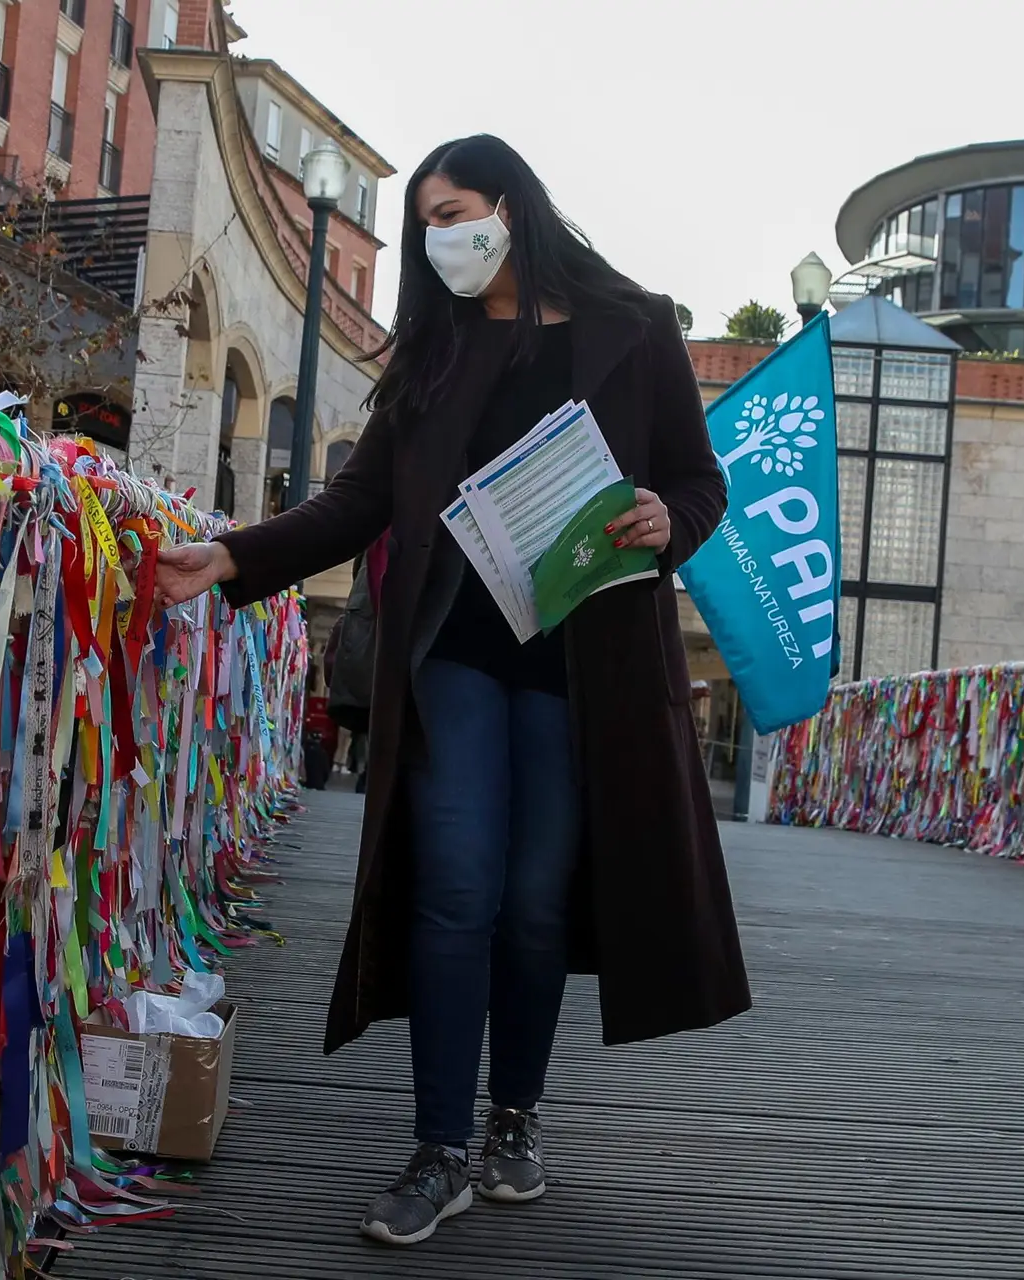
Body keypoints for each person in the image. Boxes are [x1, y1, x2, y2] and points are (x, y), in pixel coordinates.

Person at [155, 135, 750, 1248]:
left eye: (456, 209)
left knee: (533, 903)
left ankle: (512, 1118)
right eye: (425, 218)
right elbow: (359, 498)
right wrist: (234, 555)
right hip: (456, 659)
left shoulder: (637, 324)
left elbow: (698, 482)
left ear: (513, 208)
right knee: (457, 887)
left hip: (587, 662)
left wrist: (672, 521)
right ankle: (437, 1147)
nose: (441, 234)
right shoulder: (432, 348)